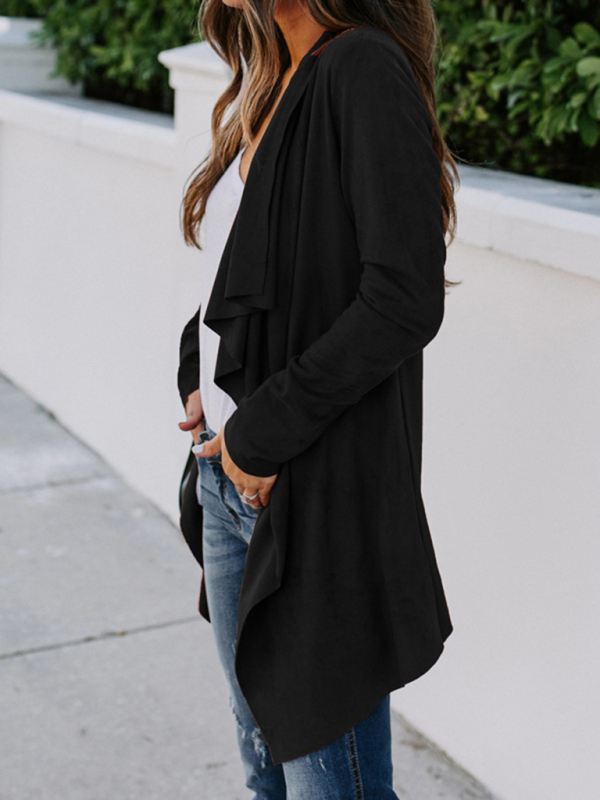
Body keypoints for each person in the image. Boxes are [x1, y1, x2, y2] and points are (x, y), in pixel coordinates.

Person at [176, 0, 459, 796]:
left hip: (306, 491)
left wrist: (259, 432)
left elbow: (402, 299)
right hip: (229, 485)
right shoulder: (273, 77)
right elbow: (242, 271)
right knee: (265, 773)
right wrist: (198, 369)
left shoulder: (361, 67)